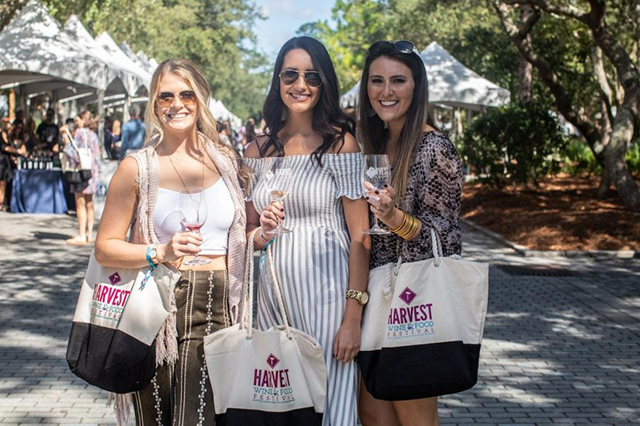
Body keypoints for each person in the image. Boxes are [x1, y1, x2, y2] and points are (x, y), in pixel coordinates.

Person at [94, 58, 249, 426]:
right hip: (153, 306)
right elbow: (105, 247)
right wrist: (159, 251)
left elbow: (239, 237)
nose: (176, 104)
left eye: (186, 95)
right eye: (166, 96)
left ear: (201, 100)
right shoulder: (136, 167)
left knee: (198, 417)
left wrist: (264, 234)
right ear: (154, 103)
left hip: (213, 302)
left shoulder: (226, 161)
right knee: (156, 419)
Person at [244, 36, 370, 426]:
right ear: (278, 80)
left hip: (328, 300)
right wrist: (263, 232)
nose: (301, 84)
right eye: (291, 75)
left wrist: (353, 317)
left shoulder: (341, 145)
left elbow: (361, 235)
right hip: (273, 299)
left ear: (324, 83)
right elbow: (247, 234)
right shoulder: (256, 151)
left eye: (312, 76)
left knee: (331, 407)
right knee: (279, 409)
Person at [355, 40, 463, 426]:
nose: (386, 91)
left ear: (416, 87)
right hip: (375, 298)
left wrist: (394, 218)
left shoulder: (434, 147)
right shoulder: (375, 143)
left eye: (398, 80)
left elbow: (445, 238)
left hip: (412, 305)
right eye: (377, 80)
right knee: (373, 415)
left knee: (415, 419)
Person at [63, 114, 101, 245]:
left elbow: (74, 154)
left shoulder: (80, 133)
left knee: (80, 203)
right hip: (92, 172)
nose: (76, 122)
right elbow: (97, 156)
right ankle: (89, 233)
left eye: (77, 120)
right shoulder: (93, 134)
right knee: (90, 203)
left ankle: (81, 234)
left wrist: (66, 140)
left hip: (81, 171)